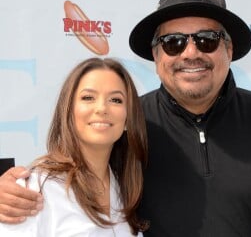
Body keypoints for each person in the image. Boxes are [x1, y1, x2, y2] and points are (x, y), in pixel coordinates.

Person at [1, 0, 251, 236]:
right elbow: (70, 176)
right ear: (156, 57)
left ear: (229, 49)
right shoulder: (127, 125)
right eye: (174, 42)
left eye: (207, 40)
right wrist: (10, 189)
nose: (190, 53)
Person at [0, 57, 148, 236]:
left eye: (115, 100)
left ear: (128, 119)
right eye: (88, 97)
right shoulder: (35, 188)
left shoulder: (125, 188)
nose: (101, 108)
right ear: (68, 111)